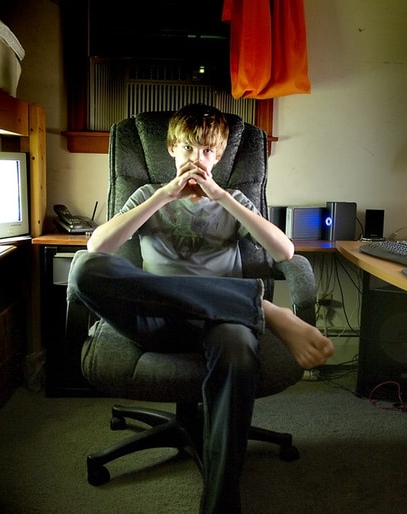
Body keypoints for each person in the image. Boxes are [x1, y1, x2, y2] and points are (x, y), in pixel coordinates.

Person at [67, 104, 333, 513]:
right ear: (172, 150)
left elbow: (284, 251)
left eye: (208, 150)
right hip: (158, 322)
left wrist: (223, 198)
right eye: (188, 148)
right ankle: (263, 307)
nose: (197, 158)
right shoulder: (148, 195)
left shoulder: (233, 200)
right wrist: (164, 195)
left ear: (219, 156)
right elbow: (97, 246)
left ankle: (221, 504)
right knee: (85, 268)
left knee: (238, 349)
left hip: (223, 322)